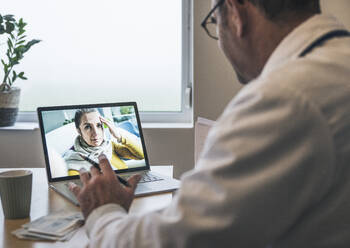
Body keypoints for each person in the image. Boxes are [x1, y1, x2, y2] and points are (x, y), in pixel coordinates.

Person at [69, 0, 350, 247]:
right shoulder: (337, 61)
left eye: (214, 22)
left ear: (235, 12)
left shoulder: (286, 97)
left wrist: (103, 213)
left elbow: (178, 240)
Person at [63, 108, 144, 175]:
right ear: (79, 131)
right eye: (88, 127)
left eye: (99, 125)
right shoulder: (73, 163)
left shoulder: (109, 146)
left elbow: (141, 155)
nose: (96, 133)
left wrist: (119, 137)